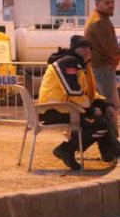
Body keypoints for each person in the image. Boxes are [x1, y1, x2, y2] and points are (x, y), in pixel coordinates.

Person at [40, 35, 118, 169]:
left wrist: (105, 105)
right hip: (54, 110)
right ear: (74, 49)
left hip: (69, 108)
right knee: (99, 124)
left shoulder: (82, 66)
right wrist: (91, 110)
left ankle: (110, 151)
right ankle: (66, 149)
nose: (87, 51)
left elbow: (89, 94)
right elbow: (73, 91)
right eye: (82, 48)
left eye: (89, 48)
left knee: (104, 113)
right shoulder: (67, 62)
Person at [84, 0, 120, 114]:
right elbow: (111, 49)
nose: (111, 5)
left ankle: (106, 132)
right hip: (103, 68)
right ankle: (111, 133)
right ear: (98, 5)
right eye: (107, 3)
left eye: (112, 2)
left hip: (99, 68)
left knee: (104, 105)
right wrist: (115, 60)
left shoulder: (99, 18)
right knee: (111, 106)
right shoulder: (100, 22)